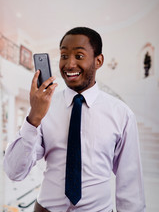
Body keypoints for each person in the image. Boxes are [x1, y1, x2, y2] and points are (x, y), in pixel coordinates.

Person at [3, 27, 146, 212]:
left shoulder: (121, 114)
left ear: (98, 60)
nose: (69, 64)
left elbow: (130, 183)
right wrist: (34, 118)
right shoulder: (43, 108)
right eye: (64, 55)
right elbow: (14, 171)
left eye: (79, 56)